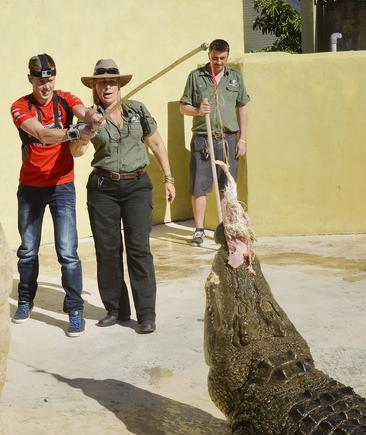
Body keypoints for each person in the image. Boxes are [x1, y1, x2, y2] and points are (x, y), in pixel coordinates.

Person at [70, 59, 175, 334]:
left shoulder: (137, 110)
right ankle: (116, 310)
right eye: (101, 82)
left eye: (111, 82)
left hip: (137, 186)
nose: (107, 86)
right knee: (107, 251)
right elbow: (75, 152)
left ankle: (146, 314)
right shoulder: (89, 116)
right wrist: (85, 135)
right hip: (103, 188)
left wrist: (169, 177)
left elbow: (156, 143)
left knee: (139, 249)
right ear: (94, 85)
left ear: (119, 85)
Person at [10, 53, 101, 337]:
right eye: (40, 80)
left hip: (62, 185)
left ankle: (74, 308)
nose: (46, 86)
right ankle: (25, 300)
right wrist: (76, 131)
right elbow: (42, 134)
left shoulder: (64, 98)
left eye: (49, 80)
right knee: (27, 251)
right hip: (30, 188)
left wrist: (94, 116)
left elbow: (84, 111)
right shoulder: (19, 106)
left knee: (68, 252)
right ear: (30, 80)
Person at [180, 39, 250, 247]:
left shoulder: (235, 78)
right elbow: (183, 106)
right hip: (203, 139)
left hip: (229, 139)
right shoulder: (196, 77)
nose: (218, 62)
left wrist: (243, 139)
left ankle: (225, 227)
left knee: (226, 188)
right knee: (198, 187)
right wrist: (197, 110)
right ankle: (199, 230)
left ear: (227, 56)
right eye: (214, 58)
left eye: (222, 58)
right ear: (209, 55)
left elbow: (242, 108)